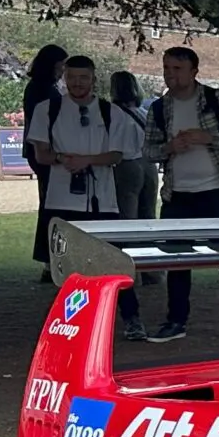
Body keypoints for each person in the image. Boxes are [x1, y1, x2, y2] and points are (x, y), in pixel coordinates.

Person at [30, 56, 151, 339]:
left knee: (113, 262)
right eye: (72, 77)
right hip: (61, 201)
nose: (77, 83)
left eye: (83, 78)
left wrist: (86, 161)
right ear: (65, 78)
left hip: (103, 200)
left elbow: (117, 155)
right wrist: (63, 159)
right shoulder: (47, 110)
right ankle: (73, 324)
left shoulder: (111, 113)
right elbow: (41, 154)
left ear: (93, 79)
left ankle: (131, 319)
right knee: (67, 268)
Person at [143, 46, 219, 342]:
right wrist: (169, 148)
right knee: (177, 261)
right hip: (177, 195)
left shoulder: (216, 99)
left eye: (177, 69)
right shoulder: (159, 108)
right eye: (167, 68)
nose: (170, 75)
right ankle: (176, 321)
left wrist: (209, 138)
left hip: (216, 191)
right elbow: (148, 151)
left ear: (194, 72)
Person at [22, 44, 67, 278]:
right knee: (52, 205)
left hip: (39, 150)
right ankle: (50, 259)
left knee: (50, 204)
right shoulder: (42, 90)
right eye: (60, 67)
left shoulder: (40, 88)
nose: (62, 72)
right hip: (45, 150)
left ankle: (50, 260)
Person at [108, 70, 155, 219]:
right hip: (148, 164)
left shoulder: (113, 113)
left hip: (126, 164)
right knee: (148, 213)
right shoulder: (144, 113)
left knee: (127, 213)